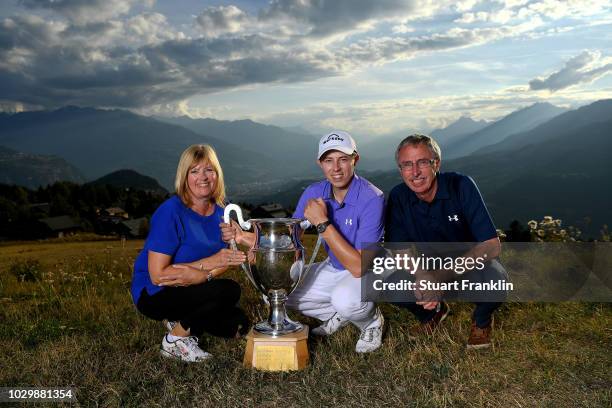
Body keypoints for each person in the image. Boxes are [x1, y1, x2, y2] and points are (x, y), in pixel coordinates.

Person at [385, 134, 507, 349]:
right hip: (429, 268)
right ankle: (431, 313)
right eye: (407, 164)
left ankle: (482, 320)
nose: (415, 172)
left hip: (469, 266)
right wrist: (423, 276)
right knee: (389, 284)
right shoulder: (398, 197)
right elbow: (401, 251)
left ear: (436, 164)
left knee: (497, 281)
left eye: (423, 162)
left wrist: (440, 277)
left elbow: (492, 245)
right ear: (400, 169)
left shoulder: (461, 185)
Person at [269, 131, 386, 352]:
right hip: (334, 265)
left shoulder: (373, 198)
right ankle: (339, 314)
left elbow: (358, 266)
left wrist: (322, 223)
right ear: (320, 163)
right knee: (279, 293)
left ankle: (371, 321)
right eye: (328, 160)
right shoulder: (314, 192)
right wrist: (247, 237)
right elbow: (292, 238)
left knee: (346, 299)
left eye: (343, 159)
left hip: (370, 267)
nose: (336, 168)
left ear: (355, 159)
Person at [131, 144, 249, 362]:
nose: (202, 177)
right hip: (155, 292)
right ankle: (174, 341)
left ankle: (179, 319)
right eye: (194, 171)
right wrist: (207, 268)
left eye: (209, 170)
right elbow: (158, 275)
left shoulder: (222, 210)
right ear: (184, 177)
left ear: (217, 174)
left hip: (195, 285)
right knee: (229, 291)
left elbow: (226, 259)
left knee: (238, 325)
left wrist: (206, 275)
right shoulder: (170, 212)